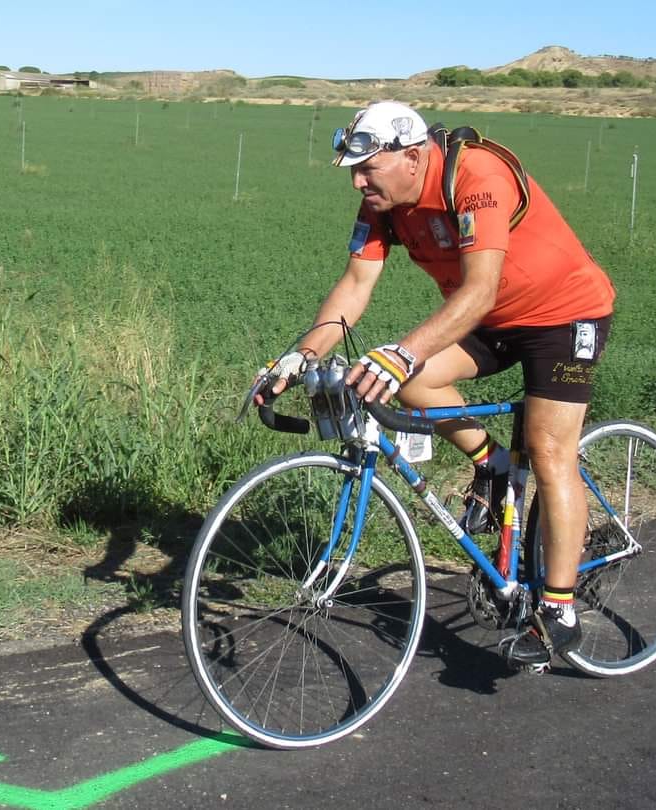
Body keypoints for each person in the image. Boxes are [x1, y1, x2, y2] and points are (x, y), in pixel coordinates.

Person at [263, 101, 615, 667]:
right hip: (492, 321)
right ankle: (496, 466)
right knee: (410, 384)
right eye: (354, 170)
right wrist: (299, 356)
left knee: (551, 451)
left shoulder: (476, 177)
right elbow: (355, 285)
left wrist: (403, 351)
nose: (358, 181)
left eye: (367, 168)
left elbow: (478, 290)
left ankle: (558, 608)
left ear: (411, 156)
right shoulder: (383, 202)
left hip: (562, 316)